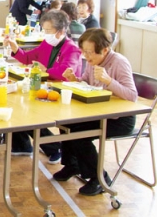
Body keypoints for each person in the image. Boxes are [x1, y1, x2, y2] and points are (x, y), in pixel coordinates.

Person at [55, 28, 138, 196]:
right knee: (66, 121)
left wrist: (109, 81)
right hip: (98, 112)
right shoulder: (94, 62)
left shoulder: (119, 62)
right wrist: (75, 80)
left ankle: (99, 178)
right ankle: (72, 165)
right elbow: (87, 82)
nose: (86, 56)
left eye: (90, 52)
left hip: (120, 119)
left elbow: (132, 96)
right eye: (84, 51)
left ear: (105, 50)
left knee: (80, 133)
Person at [3, 10, 82, 163]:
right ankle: (22, 145)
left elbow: (65, 73)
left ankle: (53, 147)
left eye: (48, 31)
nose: (45, 34)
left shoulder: (71, 49)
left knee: (28, 111)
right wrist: (14, 47)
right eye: (44, 30)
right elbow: (27, 58)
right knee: (16, 103)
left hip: (62, 92)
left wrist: (45, 70)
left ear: (60, 31)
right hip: (45, 88)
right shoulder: (47, 43)